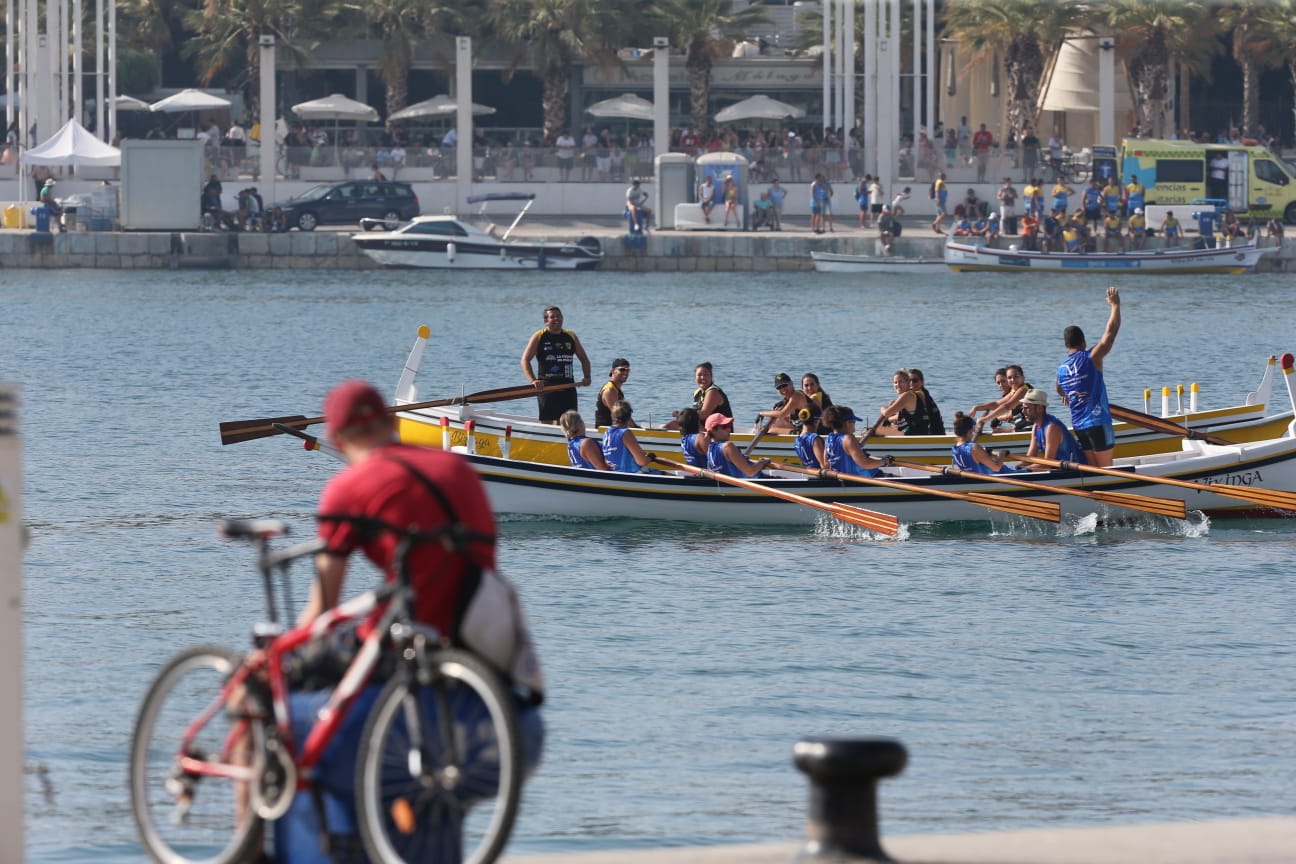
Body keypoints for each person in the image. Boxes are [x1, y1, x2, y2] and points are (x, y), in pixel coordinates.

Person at [1057, 286, 1121, 467]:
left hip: (1079, 426)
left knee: (1093, 469)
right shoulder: (1091, 357)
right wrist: (1115, 306)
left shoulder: (1061, 369)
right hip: (1098, 422)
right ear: (1083, 341)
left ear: (1066, 344)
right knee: (1106, 470)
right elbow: (1111, 333)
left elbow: (1058, 388)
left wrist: (1067, 396)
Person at [520, 305, 592, 424]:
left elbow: (584, 359)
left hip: (568, 386)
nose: (556, 319)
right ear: (546, 321)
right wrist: (533, 380)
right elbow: (525, 360)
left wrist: (587, 377)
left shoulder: (570, 336)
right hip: (546, 387)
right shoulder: (539, 336)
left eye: (558, 316)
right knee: (547, 422)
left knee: (569, 423)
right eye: (552, 317)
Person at [1018, 389, 1086, 464]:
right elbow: (1029, 458)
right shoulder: (1036, 427)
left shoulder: (1052, 428)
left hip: (1075, 469)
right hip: (1058, 467)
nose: (1023, 412)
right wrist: (1016, 469)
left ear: (1040, 408)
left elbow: (1048, 464)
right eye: (1022, 408)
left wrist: (1025, 470)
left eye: (1026, 408)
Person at [822, 405, 885, 477]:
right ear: (848, 423)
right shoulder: (848, 439)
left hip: (844, 479)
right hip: (866, 479)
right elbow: (866, 464)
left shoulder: (829, 439)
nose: (854, 429)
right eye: (854, 422)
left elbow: (826, 464)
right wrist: (884, 461)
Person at [704, 413, 770, 477]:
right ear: (713, 430)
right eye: (724, 427)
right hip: (752, 482)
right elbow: (750, 472)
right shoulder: (728, 446)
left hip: (728, 484)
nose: (729, 429)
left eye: (729, 426)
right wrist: (762, 463)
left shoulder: (709, 448)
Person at [601, 400, 655, 472]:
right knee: (667, 474)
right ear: (629, 417)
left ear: (612, 416)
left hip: (614, 472)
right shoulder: (625, 433)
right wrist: (650, 457)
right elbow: (642, 461)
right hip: (631, 473)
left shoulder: (607, 433)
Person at [595, 358, 631, 428]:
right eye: (622, 369)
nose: (625, 372)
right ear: (613, 371)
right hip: (607, 432)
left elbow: (625, 417)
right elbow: (620, 418)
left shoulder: (616, 389)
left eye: (628, 370)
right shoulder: (610, 391)